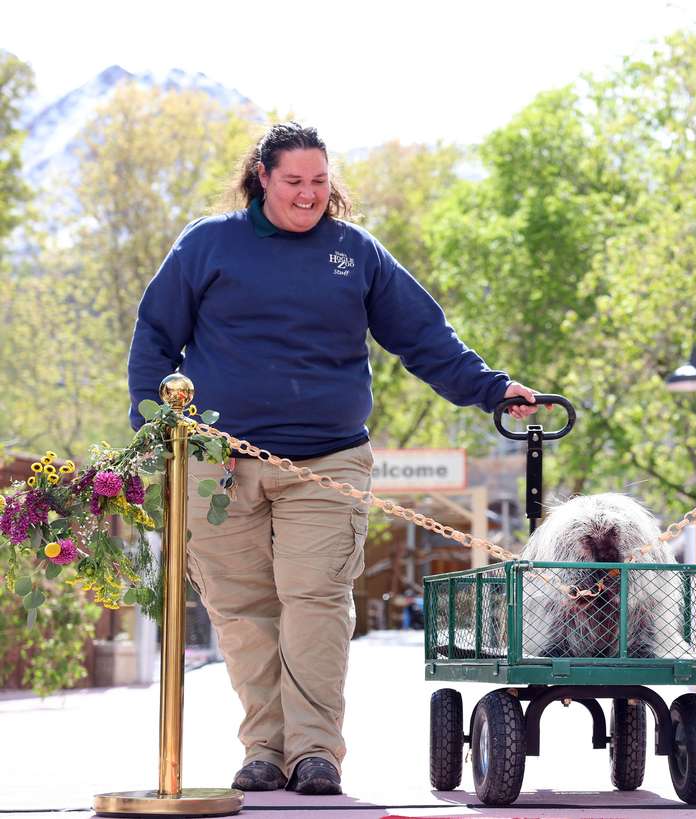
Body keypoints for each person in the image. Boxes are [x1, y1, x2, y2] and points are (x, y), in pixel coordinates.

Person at [127, 122, 542, 796]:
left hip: (329, 462)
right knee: (241, 608)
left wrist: (492, 389)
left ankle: (316, 751)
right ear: (262, 176)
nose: (308, 194)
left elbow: (426, 338)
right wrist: (152, 433)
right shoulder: (208, 245)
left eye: (319, 181)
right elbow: (153, 342)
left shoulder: (355, 253)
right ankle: (264, 747)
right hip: (217, 462)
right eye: (293, 181)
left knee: (314, 600)